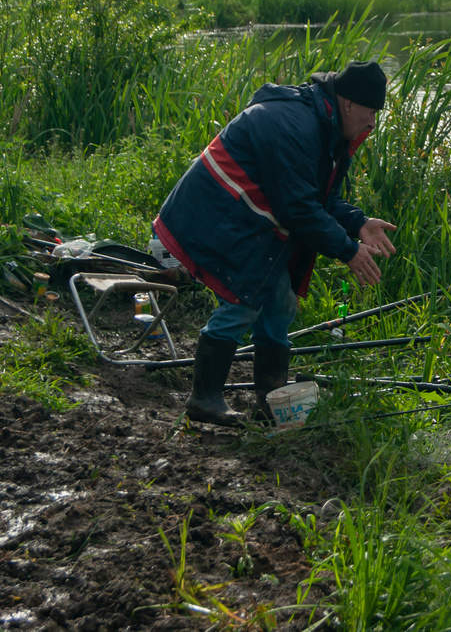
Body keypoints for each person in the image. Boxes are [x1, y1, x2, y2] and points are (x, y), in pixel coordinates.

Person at [151, 61, 397, 426]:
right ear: (347, 104)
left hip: (244, 217)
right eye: (371, 110)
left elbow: (320, 200)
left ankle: (269, 402)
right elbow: (297, 207)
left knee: (281, 302)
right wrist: (347, 251)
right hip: (214, 212)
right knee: (244, 300)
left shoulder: (327, 128)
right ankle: (204, 398)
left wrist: (358, 223)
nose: (373, 122)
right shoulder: (296, 126)